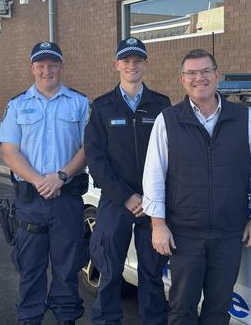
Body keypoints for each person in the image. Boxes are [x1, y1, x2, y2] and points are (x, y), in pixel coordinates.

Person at [141, 49, 251, 325]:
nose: (199, 78)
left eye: (205, 71)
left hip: (229, 232)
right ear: (182, 80)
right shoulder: (168, 120)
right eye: (192, 73)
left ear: (217, 75)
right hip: (185, 233)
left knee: (218, 309)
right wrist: (158, 224)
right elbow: (153, 176)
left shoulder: (244, 118)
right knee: (181, 309)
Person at [0, 41, 90, 325]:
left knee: (67, 268)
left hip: (67, 199)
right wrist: (41, 181)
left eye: (52, 65)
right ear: (32, 68)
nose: (46, 70)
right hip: (31, 200)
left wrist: (61, 177)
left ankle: (66, 319)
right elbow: (9, 152)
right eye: (40, 65)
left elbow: (88, 148)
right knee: (30, 269)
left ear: (61, 66)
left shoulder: (80, 103)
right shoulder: (17, 105)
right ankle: (30, 319)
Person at [84, 37, 171, 325]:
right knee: (110, 271)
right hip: (115, 201)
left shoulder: (161, 104)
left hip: (153, 204)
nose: (132, 65)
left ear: (145, 64)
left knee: (151, 274)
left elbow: (170, 156)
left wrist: (149, 197)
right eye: (126, 60)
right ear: (117, 65)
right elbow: (95, 159)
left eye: (138, 60)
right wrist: (125, 196)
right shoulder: (102, 106)